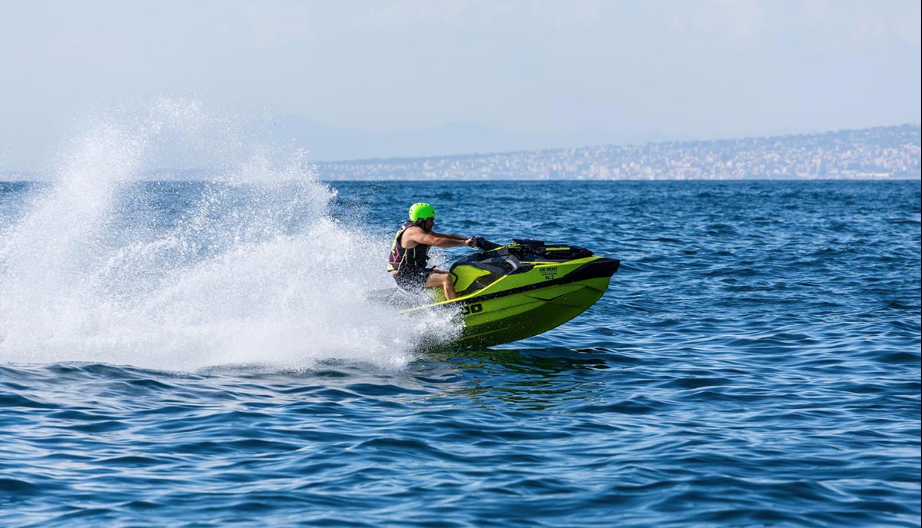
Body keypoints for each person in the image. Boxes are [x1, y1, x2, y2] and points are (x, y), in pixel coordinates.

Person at [387, 202, 476, 300]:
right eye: (431, 220)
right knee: (445, 278)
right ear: (421, 220)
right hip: (405, 275)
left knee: (449, 274)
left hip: (413, 271)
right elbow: (436, 241)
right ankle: (453, 309)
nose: (433, 223)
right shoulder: (412, 232)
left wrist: (466, 239)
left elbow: (445, 236)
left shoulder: (421, 230)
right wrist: (464, 243)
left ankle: (446, 299)